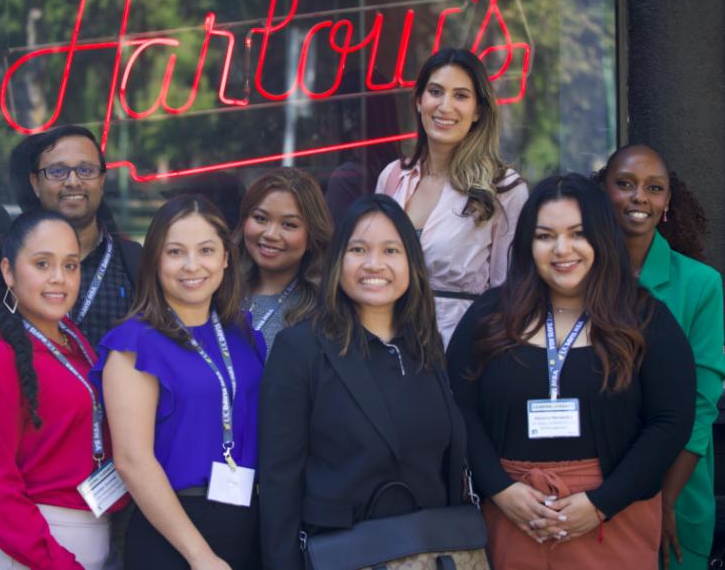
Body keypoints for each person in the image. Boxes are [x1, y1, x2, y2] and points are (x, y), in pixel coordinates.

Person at [446, 174, 696, 570]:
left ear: (601, 237)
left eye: (578, 234)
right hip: (513, 518)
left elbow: (671, 422)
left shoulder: (645, 319)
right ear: (529, 244)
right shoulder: (491, 316)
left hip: (613, 519)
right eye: (545, 236)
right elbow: (457, 407)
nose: (562, 250)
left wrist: (601, 504)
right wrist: (500, 489)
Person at [259, 194, 468, 570]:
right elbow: (279, 483)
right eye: (358, 249)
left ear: (411, 263)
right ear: (338, 261)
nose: (375, 264)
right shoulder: (300, 348)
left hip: (428, 554)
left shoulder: (425, 344)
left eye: (391, 250)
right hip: (343, 556)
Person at [93, 194, 266, 570]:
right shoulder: (134, 344)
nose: (192, 266)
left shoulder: (244, 335)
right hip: (174, 535)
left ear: (225, 257)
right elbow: (132, 461)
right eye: (175, 252)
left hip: (246, 523)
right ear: (155, 260)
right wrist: (201, 557)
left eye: (206, 250)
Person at [0, 209, 125, 570]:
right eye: (42, 264)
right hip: (27, 555)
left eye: (70, 265)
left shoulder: (74, 340)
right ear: (8, 272)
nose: (58, 279)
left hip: (84, 541)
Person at [596, 145, 725, 570]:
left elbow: (701, 405)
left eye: (654, 188)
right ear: (603, 192)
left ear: (668, 202)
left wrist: (665, 499)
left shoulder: (701, 284)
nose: (640, 198)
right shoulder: (577, 275)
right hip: (594, 487)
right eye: (625, 184)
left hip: (676, 485)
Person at [376, 47, 528, 346]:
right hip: (387, 345)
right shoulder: (392, 176)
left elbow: (508, 291)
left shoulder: (503, 188)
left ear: (478, 111)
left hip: (460, 347)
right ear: (419, 101)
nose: (445, 106)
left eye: (461, 96)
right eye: (435, 92)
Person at [0, 124, 141, 356]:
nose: (73, 181)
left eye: (86, 170)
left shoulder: (133, 263)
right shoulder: (2, 268)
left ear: (101, 180)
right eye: (57, 172)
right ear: (35, 183)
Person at [234, 167, 333, 353]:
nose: (271, 234)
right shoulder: (217, 292)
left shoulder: (325, 311)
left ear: (312, 236)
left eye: (289, 224)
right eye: (260, 218)